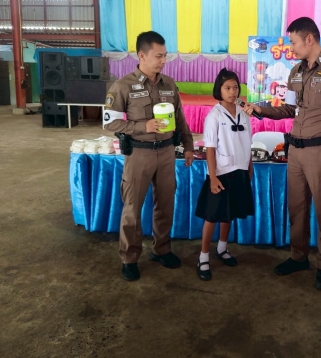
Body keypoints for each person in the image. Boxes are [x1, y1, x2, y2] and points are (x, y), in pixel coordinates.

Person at [243, 17, 321, 291]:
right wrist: (260, 110)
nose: (291, 48)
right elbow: (288, 109)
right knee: (296, 208)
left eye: (294, 42)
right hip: (295, 151)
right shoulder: (296, 71)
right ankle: (298, 257)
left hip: (320, 152)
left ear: (309, 39)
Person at [104, 31, 194, 282]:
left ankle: (161, 249)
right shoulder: (123, 86)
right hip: (139, 154)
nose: (163, 61)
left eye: (165, 56)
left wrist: (188, 145)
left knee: (165, 204)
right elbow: (110, 122)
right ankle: (129, 258)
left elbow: (180, 118)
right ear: (141, 56)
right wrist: (143, 126)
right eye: (158, 56)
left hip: (166, 153)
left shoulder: (169, 85)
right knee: (132, 209)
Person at [194, 69, 254, 281]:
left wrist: (249, 167)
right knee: (213, 216)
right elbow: (210, 148)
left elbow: (248, 143)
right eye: (227, 88)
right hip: (221, 173)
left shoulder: (244, 114)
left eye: (235, 87)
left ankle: (222, 248)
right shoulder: (214, 116)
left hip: (240, 170)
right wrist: (212, 177)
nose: (232, 91)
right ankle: (203, 257)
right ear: (219, 90)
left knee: (229, 213)